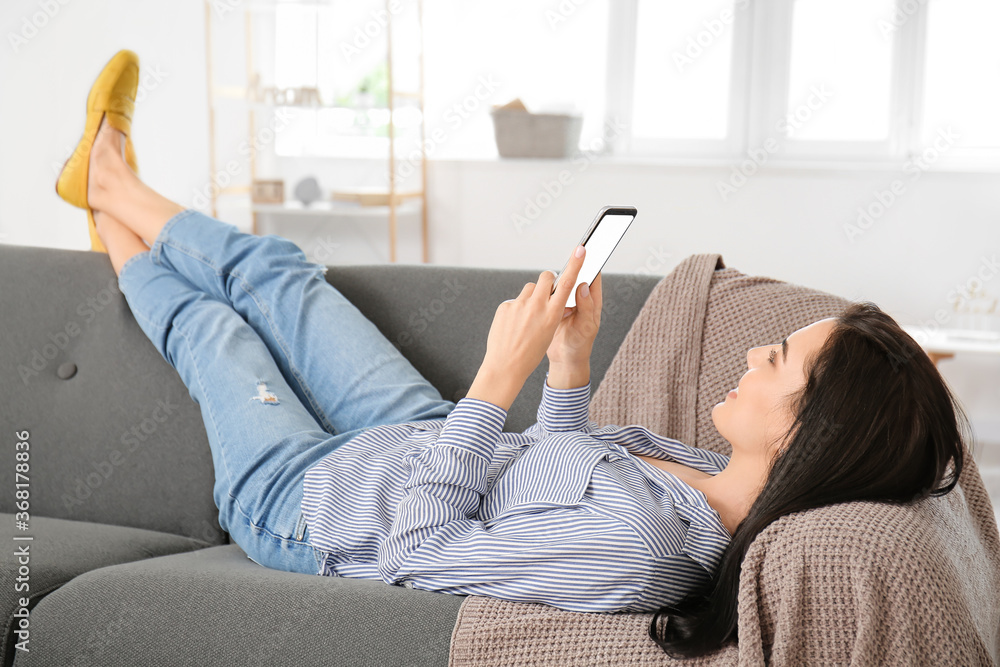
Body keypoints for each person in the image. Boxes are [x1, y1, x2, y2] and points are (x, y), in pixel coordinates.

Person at [56, 53, 968, 637]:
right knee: (287, 279)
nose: (745, 356)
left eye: (775, 362)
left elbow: (421, 548)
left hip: (317, 507)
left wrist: (500, 375)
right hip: (427, 436)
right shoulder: (697, 467)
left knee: (216, 327)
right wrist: (568, 371)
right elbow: (545, 480)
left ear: (808, 431)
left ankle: (107, 184)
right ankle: (113, 190)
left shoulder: (649, 550)